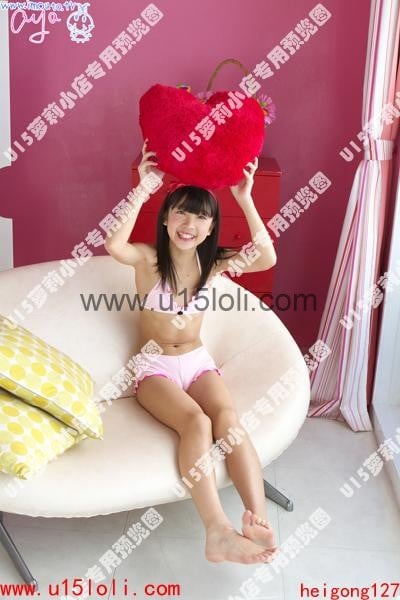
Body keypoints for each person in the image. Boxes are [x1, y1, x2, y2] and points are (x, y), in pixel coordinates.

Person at [105, 138, 279, 565]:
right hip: (155, 368)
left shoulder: (212, 263)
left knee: (228, 421)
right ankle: (217, 531)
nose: (189, 223)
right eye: (181, 212)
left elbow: (266, 258)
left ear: (210, 226)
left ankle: (256, 520)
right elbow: (114, 246)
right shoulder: (148, 261)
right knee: (197, 422)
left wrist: (245, 199)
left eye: (201, 216)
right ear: (166, 218)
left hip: (198, 362)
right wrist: (142, 190)